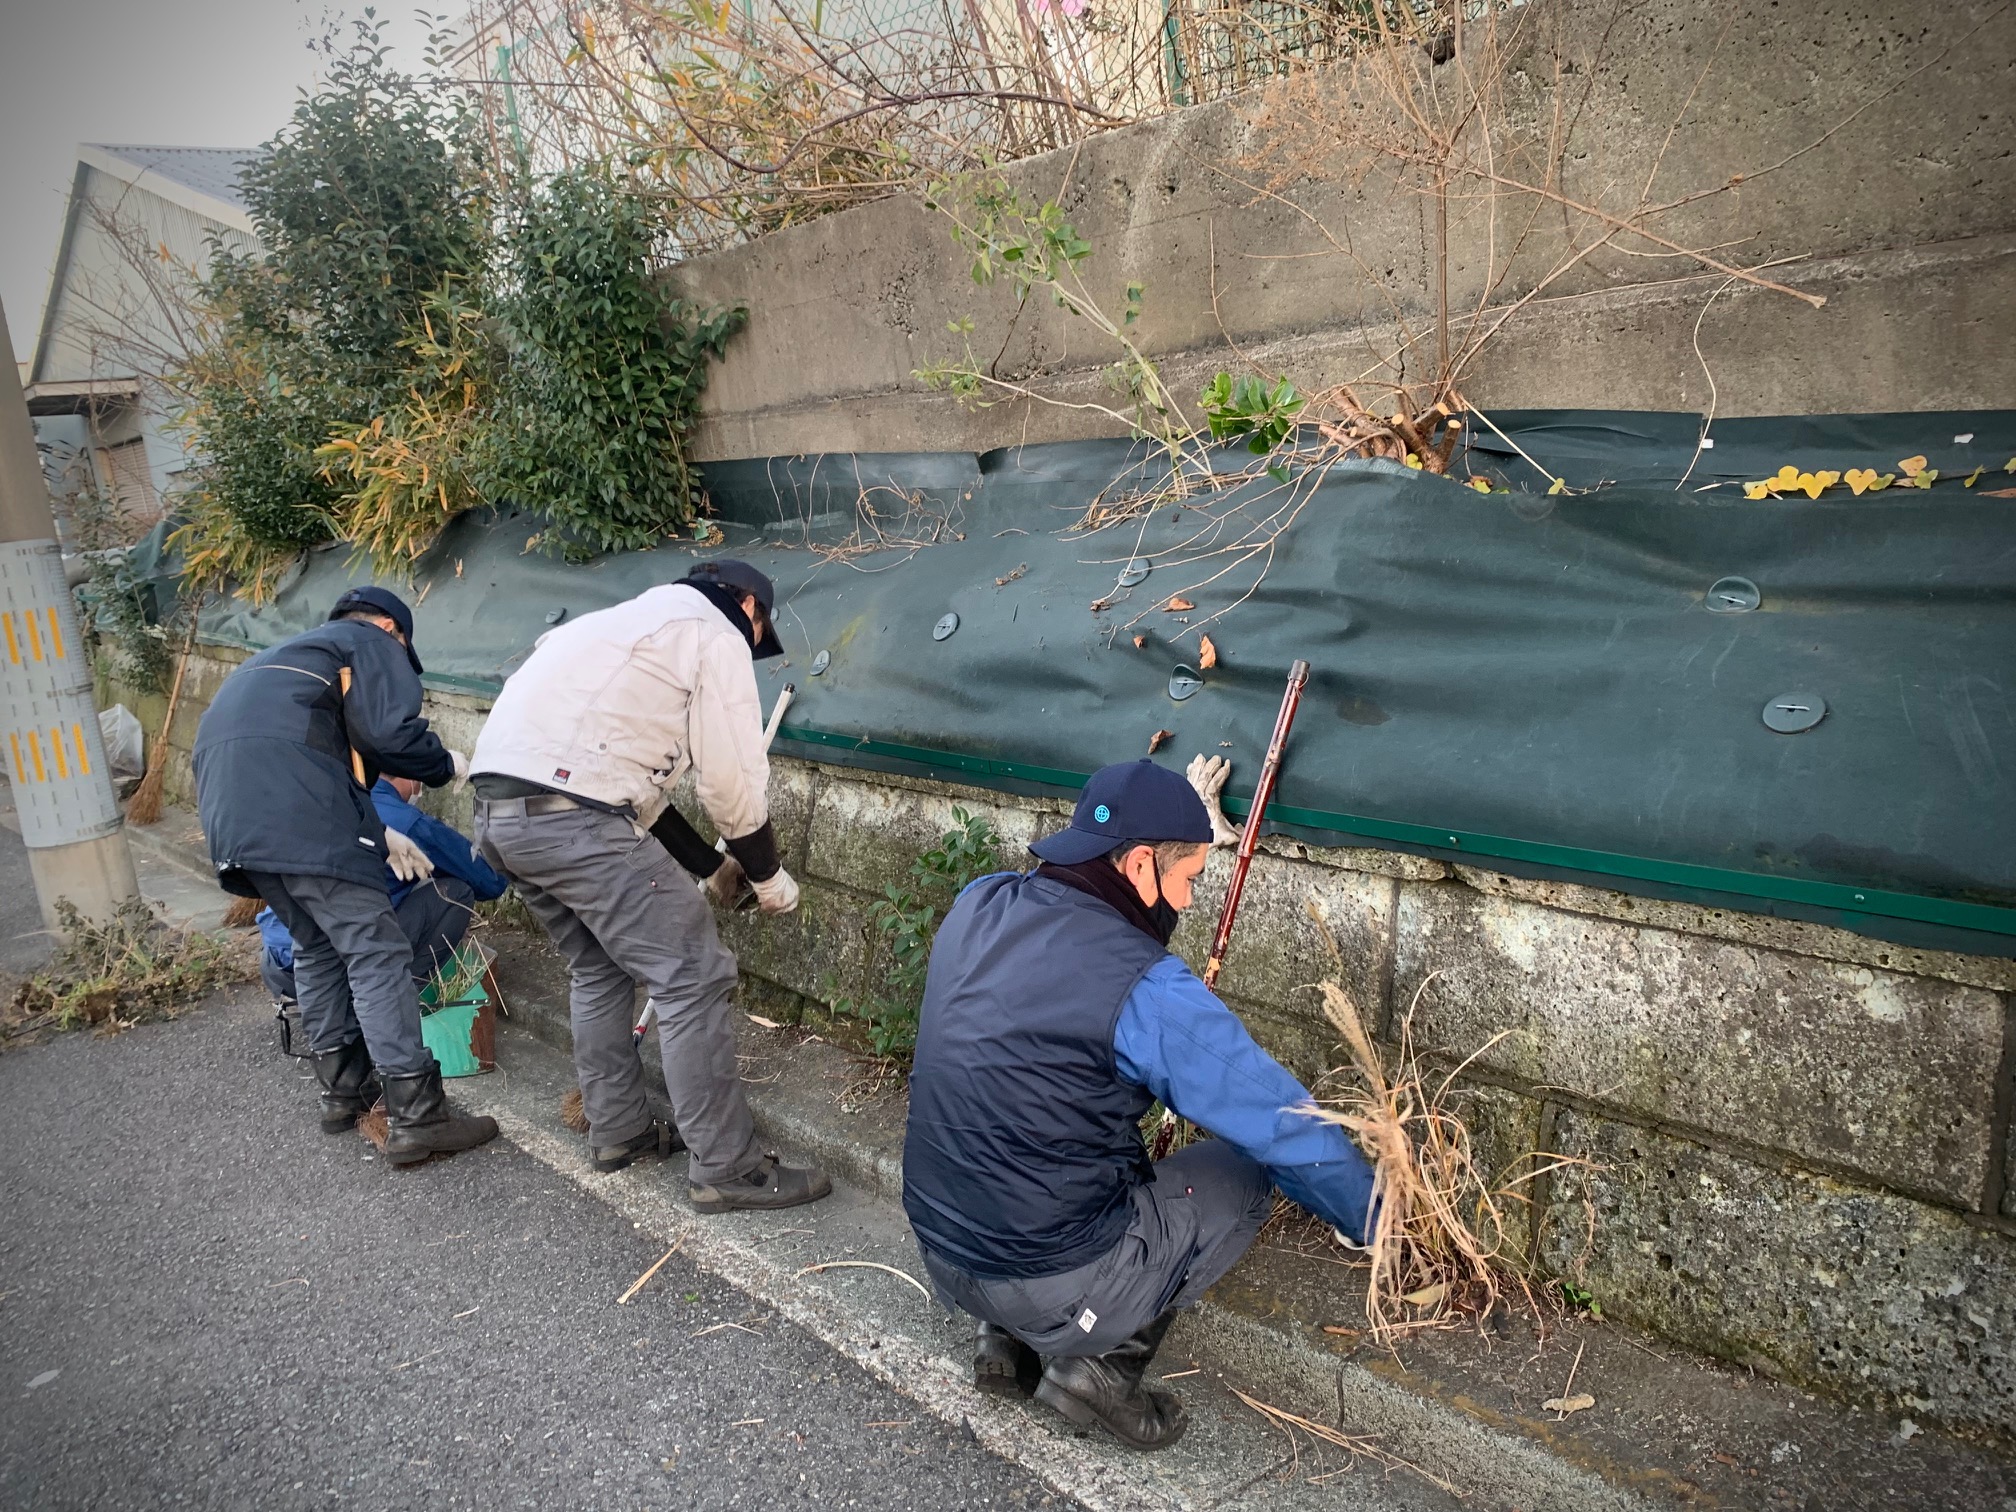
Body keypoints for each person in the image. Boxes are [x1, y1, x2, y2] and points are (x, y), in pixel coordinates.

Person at [902, 759, 1378, 1451]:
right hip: (1044, 1280)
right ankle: (1095, 1370)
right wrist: (1375, 1219)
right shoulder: (1145, 987)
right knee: (1247, 1174)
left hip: (943, 1250)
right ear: (1141, 867)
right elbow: (1283, 1124)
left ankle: (1002, 1339)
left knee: (1046, 1123)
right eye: (1187, 881)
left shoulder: (982, 900)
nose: (1185, 904)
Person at [469, 560, 831, 1211]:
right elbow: (731, 782)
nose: (751, 650)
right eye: (758, 634)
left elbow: (641, 798)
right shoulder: (712, 631)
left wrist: (714, 868)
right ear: (747, 606)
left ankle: (620, 1131)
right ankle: (728, 1169)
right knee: (692, 973)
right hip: (577, 820)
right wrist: (767, 874)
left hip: (503, 815)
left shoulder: (607, 630)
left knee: (599, 966)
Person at [193, 586, 499, 1165]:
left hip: (232, 822)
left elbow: (311, 755)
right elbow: (389, 735)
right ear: (390, 629)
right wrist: (446, 764)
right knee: (375, 949)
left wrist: (378, 831)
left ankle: (343, 1089)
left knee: (316, 944)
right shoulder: (368, 643)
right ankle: (418, 1115)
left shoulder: (277, 662)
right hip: (299, 816)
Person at [258, 774, 510, 1004]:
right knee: (455, 892)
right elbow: (490, 882)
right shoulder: (406, 822)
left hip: (277, 964)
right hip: (333, 971)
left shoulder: (328, 797)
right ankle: (396, 998)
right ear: (407, 774)